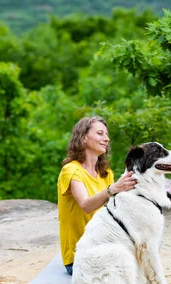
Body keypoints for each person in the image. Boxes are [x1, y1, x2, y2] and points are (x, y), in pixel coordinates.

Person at [57, 116, 137, 275]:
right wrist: (112, 190)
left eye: (107, 135)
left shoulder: (106, 174)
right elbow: (86, 205)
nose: (106, 139)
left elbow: (114, 211)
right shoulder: (71, 170)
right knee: (126, 270)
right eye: (100, 133)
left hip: (105, 246)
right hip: (79, 258)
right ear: (83, 138)